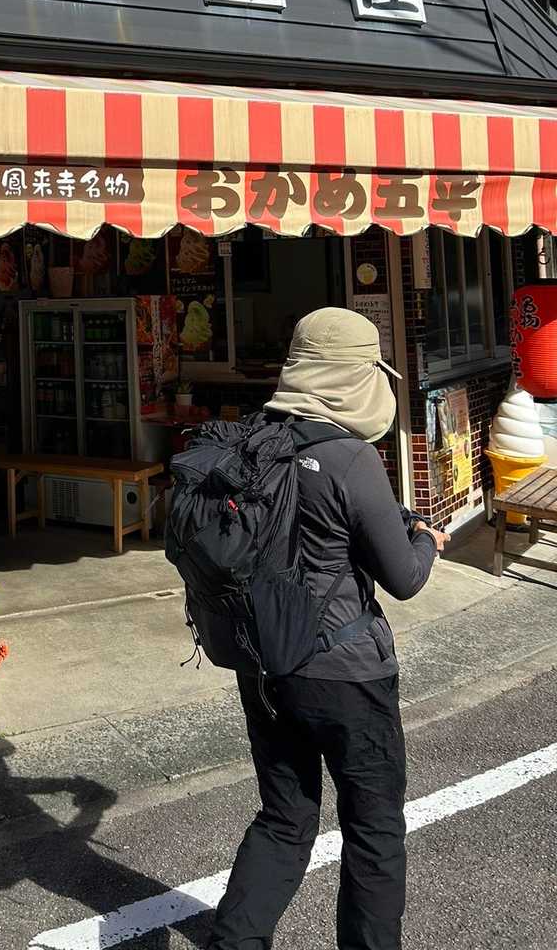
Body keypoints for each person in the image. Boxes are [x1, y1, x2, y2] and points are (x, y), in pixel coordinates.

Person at [208, 307, 450, 950]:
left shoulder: (251, 441)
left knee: (285, 819)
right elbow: (403, 577)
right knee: (373, 828)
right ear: (355, 375)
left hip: (265, 663)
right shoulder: (348, 457)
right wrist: (426, 540)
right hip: (346, 673)